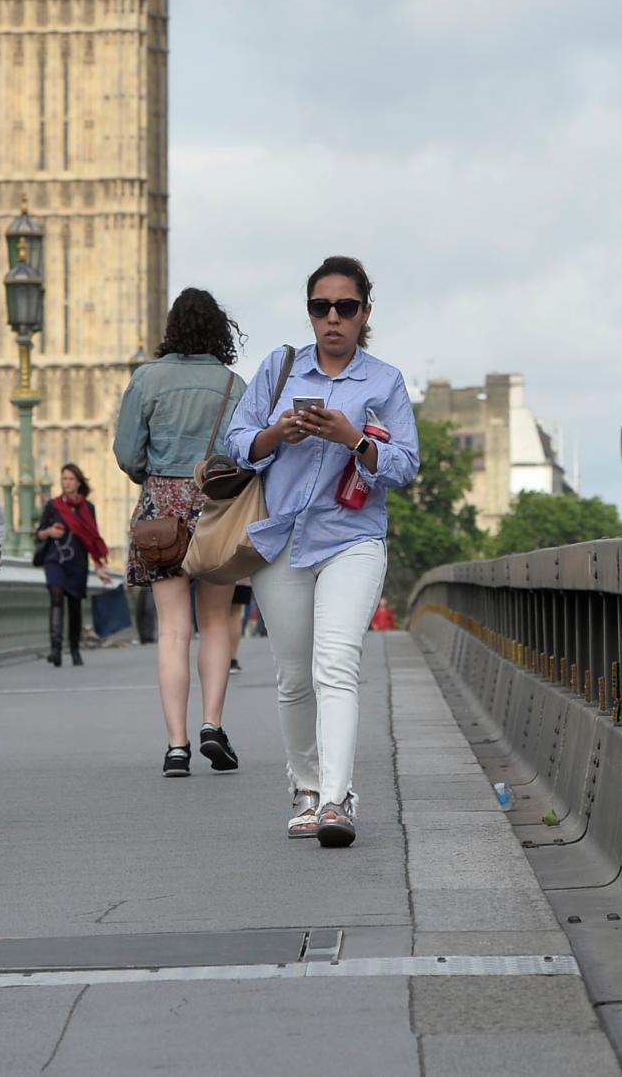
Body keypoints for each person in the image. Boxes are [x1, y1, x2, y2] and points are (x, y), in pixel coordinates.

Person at [221, 255, 419, 847]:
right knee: (292, 676)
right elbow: (236, 442)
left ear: (364, 313)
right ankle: (305, 788)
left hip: (351, 539)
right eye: (320, 307)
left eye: (346, 307)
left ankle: (337, 799)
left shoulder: (384, 381)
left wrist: (353, 438)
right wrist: (278, 434)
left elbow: (405, 464)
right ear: (310, 313)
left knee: (336, 665)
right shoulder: (279, 371)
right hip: (281, 538)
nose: (333, 318)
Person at [114, 286, 247, 777]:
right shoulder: (235, 386)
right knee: (215, 622)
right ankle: (213, 723)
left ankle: (176, 746)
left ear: (172, 329)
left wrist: (157, 478)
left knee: (173, 629)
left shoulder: (146, 379)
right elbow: (248, 455)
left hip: (162, 513)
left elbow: (128, 453)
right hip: (217, 507)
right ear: (219, 331)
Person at [34, 463, 111, 666]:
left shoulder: (88, 509)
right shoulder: (53, 505)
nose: (66, 483)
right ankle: (56, 649)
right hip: (55, 560)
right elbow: (39, 534)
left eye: (69, 479)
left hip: (77, 562)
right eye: (63, 479)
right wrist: (49, 532)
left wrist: (99, 566)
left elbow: (93, 539)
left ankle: (75, 649)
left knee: (75, 606)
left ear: (78, 482)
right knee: (56, 597)